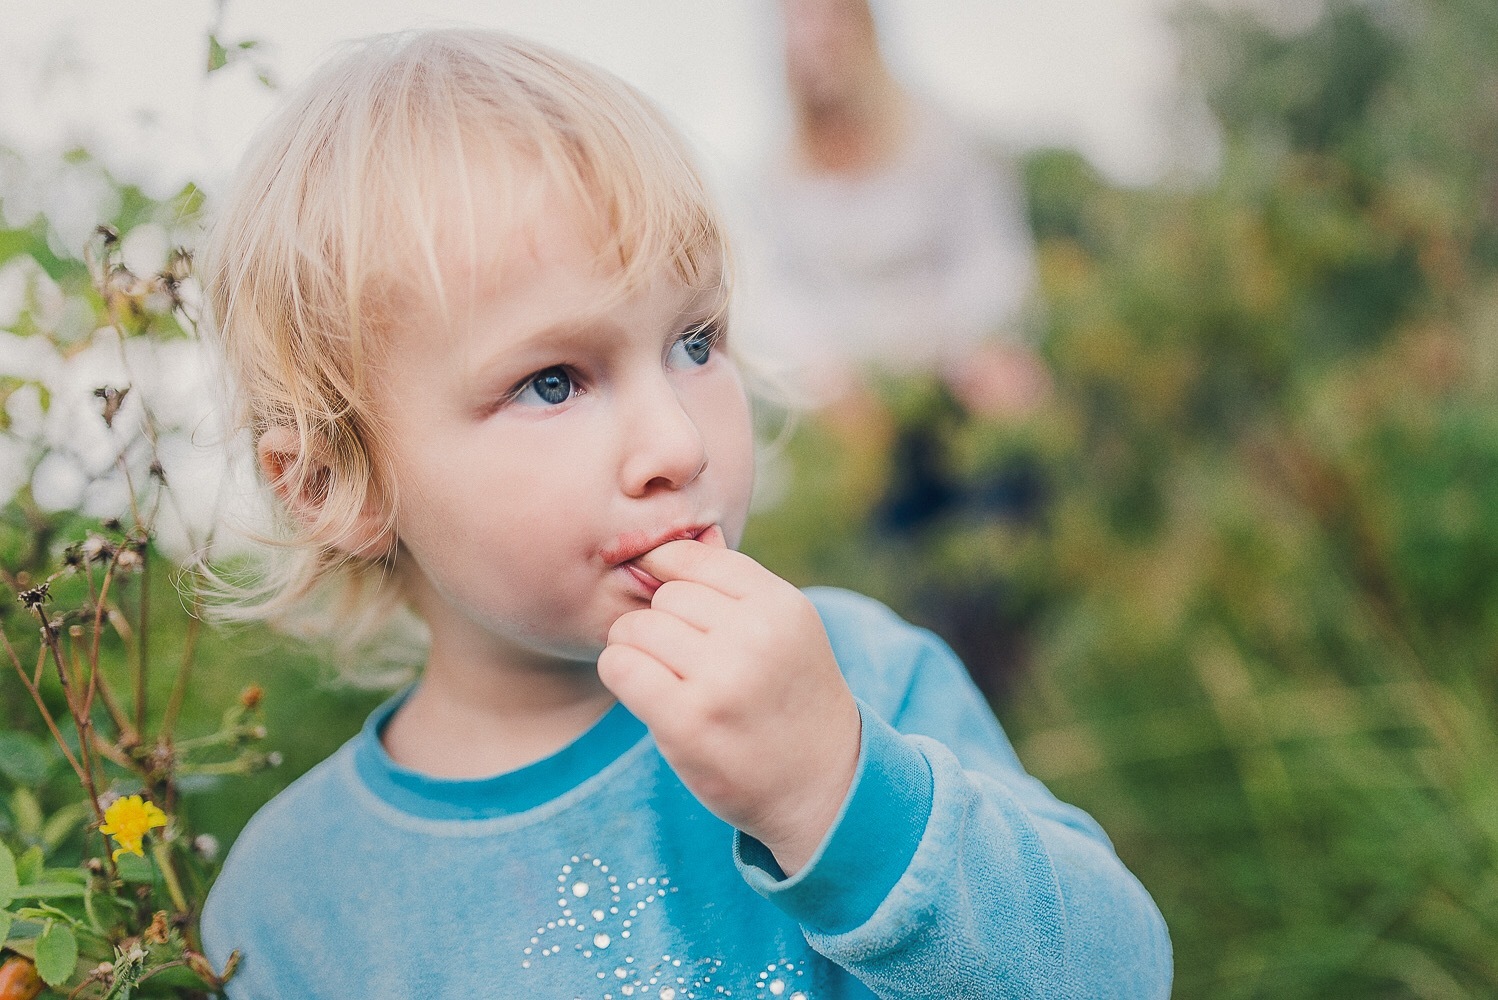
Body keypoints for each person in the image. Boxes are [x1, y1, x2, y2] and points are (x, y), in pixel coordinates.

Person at [198, 30, 1172, 999]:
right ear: (332, 484)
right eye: (550, 382)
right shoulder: (291, 903)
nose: (678, 442)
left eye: (696, 342)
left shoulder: (858, 676)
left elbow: (1121, 974)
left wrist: (839, 794)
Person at [740, 0, 1049, 416]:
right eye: (797, 25)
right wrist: (825, 376)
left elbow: (992, 261)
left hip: (956, 382)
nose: (812, 43)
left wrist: (969, 348)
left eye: (828, 24)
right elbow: (773, 300)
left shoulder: (943, 142)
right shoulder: (774, 178)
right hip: (841, 408)